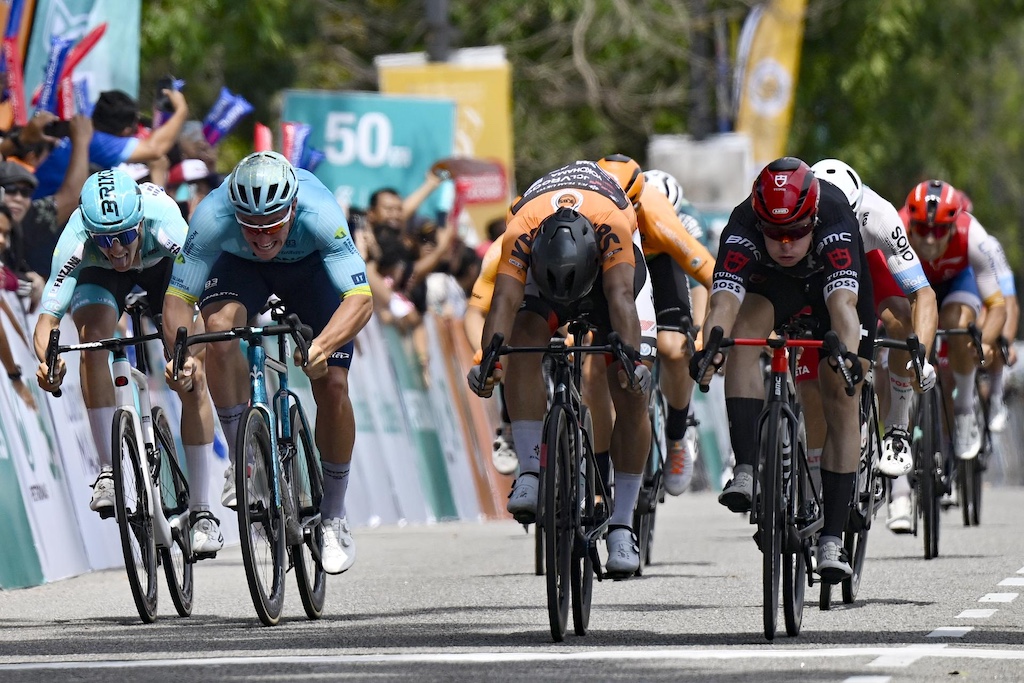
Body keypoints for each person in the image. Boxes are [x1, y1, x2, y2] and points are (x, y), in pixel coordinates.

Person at [162, 151, 372, 575]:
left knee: (332, 385)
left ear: (293, 207)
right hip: (241, 272)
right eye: (250, 225)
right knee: (219, 334)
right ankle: (246, 458)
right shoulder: (211, 217)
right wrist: (179, 356)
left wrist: (322, 346)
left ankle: (333, 515)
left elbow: (360, 298)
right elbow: (178, 299)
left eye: (272, 223)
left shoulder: (321, 213)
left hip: (310, 271)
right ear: (233, 212)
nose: (261, 237)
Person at [691, 157, 876, 581]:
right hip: (777, 288)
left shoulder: (833, 217)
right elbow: (722, 305)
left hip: (833, 289)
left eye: (795, 232)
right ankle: (747, 469)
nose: (786, 243)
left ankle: (832, 538)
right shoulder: (741, 224)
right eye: (775, 234)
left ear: (812, 217)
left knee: (840, 391)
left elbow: (845, 309)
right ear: (759, 222)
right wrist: (710, 346)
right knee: (740, 339)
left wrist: (846, 359)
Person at [467, 159, 653, 579]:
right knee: (523, 337)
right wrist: (489, 362)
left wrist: (635, 361)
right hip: (542, 264)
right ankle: (530, 469)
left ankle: (623, 523)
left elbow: (623, 299)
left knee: (629, 387)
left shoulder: (614, 230)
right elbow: (502, 305)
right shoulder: (521, 231)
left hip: (611, 277)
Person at [32, 169, 222, 556]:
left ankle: (203, 514)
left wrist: (188, 358)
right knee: (92, 342)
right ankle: (107, 471)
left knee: (188, 368)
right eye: (104, 239)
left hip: (163, 271)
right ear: (89, 233)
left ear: (139, 222)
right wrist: (48, 364)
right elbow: (47, 320)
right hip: (99, 279)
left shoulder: (165, 222)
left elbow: (207, 305)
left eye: (122, 236)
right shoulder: (76, 238)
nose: (115, 249)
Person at [801, 160, 940, 534]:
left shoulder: (879, 215)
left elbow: (922, 294)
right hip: (816, 274)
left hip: (866, 268)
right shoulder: (800, 208)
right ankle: (814, 490)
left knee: (900, 321)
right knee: (809, 379)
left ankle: (896, 428)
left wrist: (921, 355)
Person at [592, 156, 714, 497]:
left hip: (659, 263)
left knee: (673, 348)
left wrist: (702, 333)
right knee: (592, 368)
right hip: (610, 263)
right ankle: (599, 475)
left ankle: (676, 434)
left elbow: (708, 275)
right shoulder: (592, 206)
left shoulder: (663, 217)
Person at [901, 180, 1008, 462]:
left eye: (939, 231)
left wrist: (983, 342)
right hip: (915, 285)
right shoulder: (894, 228)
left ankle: (963, 412)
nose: (930, 240)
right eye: (922, 228)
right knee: (900, 324)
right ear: (910, 223)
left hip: (958, 284)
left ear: (953, 226)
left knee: (956, 321)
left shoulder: (973, 235)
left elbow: (998, 306)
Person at [1, 114, 93, 280]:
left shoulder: (26, 220)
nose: (18, 198)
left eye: (25, 193)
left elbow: (72, 197)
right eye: (11, 190)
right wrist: (21, 139)